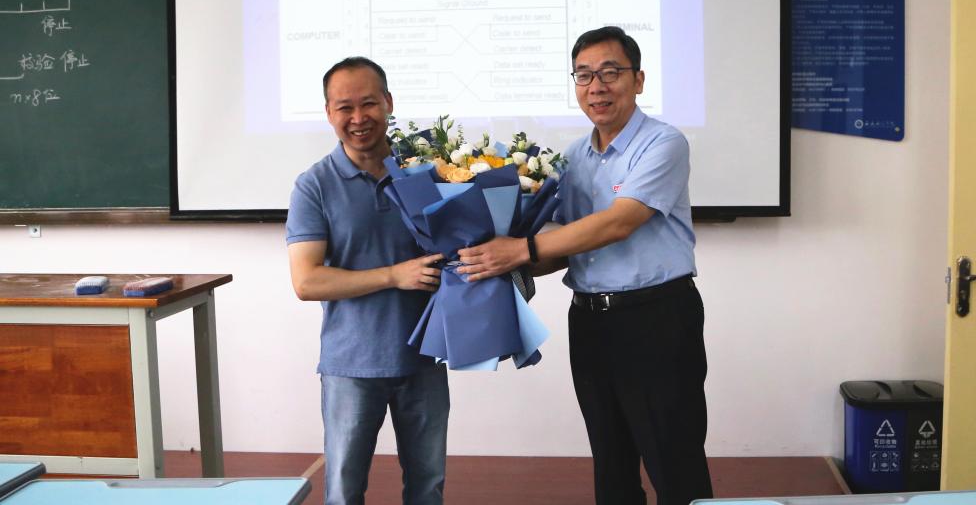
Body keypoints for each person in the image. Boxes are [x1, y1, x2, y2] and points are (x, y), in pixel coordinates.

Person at [457, 26, 712, 505]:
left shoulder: (663, 143)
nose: (597, 86)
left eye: (610, 73)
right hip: (592, 322)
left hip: (656, 319)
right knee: (612, 464)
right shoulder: (573, 157)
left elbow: (619, 223)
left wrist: (519, 250)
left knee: (674, 463)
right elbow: (564, 245)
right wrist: (488, 263)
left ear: (638, 80)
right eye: (584, 75)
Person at [286, 56, 449, 505]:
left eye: (369, 103)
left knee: (428, 487)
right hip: (351, 366)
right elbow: (306, 281)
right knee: (344, 491)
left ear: (389, 102)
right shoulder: (314, 185)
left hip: (424, 358)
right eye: (345, 107)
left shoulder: (426, 171)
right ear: (328, 113)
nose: (358, 118)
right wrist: (394, 276)